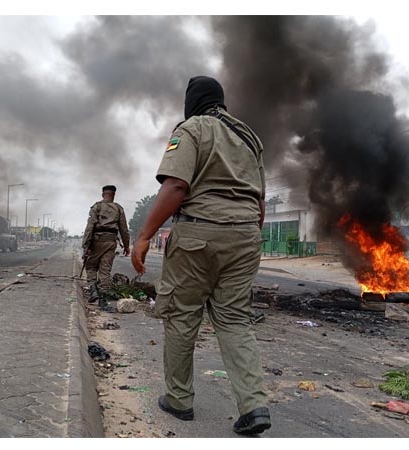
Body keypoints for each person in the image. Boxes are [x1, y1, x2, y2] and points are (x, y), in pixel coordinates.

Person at [131, 76, 271, 435]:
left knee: (181, 314)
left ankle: (179, 400)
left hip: (198, 234)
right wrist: (247, 234)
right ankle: (253, 406)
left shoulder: (192, 129)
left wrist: (144, 236)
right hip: (246, 237)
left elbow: (176, 185)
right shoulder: (249, 136)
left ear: (192, 101)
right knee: (235, 320)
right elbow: (260, 203)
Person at [83, 185, 130, 309]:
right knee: (105, 270)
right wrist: (126, 246)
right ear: (113, 195)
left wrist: (86, 245)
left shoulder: (96, 207)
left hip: (96, 241)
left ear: (103, 194)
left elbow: (90, 227)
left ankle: (93, 291)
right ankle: (103, 299)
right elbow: (124, 229)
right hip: (111, 241)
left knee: (91, 266)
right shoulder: (119, 209)